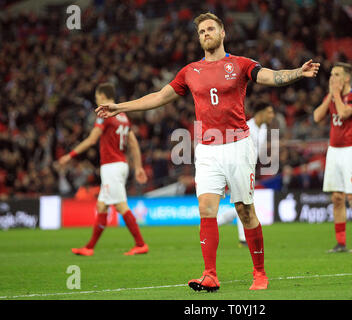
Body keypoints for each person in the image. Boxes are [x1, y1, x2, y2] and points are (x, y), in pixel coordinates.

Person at [95, 12, 319, 291]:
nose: (205, 34)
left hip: (238, 146)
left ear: (222, 33)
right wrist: (120, 106)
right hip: (208, 149)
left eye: (210, 29)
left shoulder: (240, 64)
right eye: (201, 31)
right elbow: (158, 97)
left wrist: (298, 72)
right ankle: (210, 274)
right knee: (206, 208)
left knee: (244, 209)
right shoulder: (190, 71)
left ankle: (259, 273)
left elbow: (270, 77)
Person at [59, 83, 149, 256]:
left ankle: (140, 244)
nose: (95, 98)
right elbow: (133, 143)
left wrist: (69, 155)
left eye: (96, 95)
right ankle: (89, 247)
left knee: (121, 206)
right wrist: (137, 166)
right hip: (121, 165)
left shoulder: (104, 113)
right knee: (101, 206)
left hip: (111, 166)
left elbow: (92, 140)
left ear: (101, 95)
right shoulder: (123, 116)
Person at [313, 62, 352, 253]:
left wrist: (336, 95)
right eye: (331, 74)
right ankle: (341, 243)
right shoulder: (332, 97)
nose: (332, 78)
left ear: (346, 78)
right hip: (334, 150)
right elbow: (317, 116)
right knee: (337, 197)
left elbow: (345, 113)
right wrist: (331, 95)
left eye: (336, 75)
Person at [216, 102, 275, 247]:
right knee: (243, 203)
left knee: (241, 205)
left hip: (249, 170)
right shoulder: (246, 127)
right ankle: (243, 239)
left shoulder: (264, 129)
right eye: (269, 112)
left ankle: (213, 222)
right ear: (260, 112)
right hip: (237, 169)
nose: (272, 115)